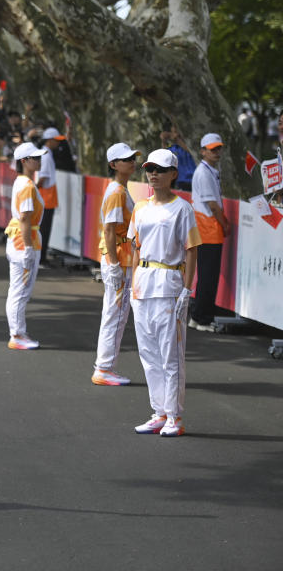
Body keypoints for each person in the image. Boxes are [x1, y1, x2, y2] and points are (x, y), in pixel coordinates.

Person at [129, 149, 200, 437]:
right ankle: (158, 411)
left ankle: (175, 415)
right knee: (148, 353)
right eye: (149, 169)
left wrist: (187, 288)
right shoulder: (140, 207)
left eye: (160, 169)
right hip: (144, 282)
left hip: (169, 281)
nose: (153, 174)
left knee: (170, 354)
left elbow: (192, 249)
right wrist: (133, 282)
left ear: (173, 174)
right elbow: (136, 247)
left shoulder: (182, 208)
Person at [92, 142, 140, 386]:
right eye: (125, 159)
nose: (131, 161)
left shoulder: (120, 188)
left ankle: (105, 366)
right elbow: (109, 230)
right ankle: (104, 368)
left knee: (115, 313)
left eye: (132, 157)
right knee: (116, 313)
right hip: (118, 258)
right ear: (113, 165)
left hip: (120, 256)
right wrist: (112, 264)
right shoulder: (117, 191)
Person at [4, 143, 46, 350]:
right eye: (35, 158)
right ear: (24, 161)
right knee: (20, 291)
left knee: (18, 290)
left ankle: (18, 332)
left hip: (20, 240)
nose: (39, 160)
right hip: (23, 241)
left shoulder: (23, 182)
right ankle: (17, 334)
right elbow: (25, 219)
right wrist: (28, 248)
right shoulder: (26, 186)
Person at [188, 133, 228, 332]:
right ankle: (201, 318)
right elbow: (212, 204)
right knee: (208, 276)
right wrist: (225, 223)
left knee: (206, 275)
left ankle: (198, 316)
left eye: (218, 148)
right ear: (203, 151)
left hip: (207, 228)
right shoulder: (204, 173)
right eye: (213, 149)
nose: (216, 152)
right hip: (208, 228)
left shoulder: (209, 170)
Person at [36, 127, 63, 267]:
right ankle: (41, 259)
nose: (58, 143)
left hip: (48, 196)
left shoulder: (47, 154)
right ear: (50, 140)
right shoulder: (46, 155)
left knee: (44, 229)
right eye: (56, 140)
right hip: (46, 196)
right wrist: (35, 190)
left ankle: (41, 257)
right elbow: (43, 177)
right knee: (44, 229)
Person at [162, 126, 195, 191]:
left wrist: (177, 139)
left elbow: (191, 151)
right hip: (181, 181)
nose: (175, 134)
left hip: (194, 180)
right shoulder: (175, 147)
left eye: (177, 132)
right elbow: (164, 155)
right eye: (173, 132)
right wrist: (164, 141)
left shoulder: (191, 145)